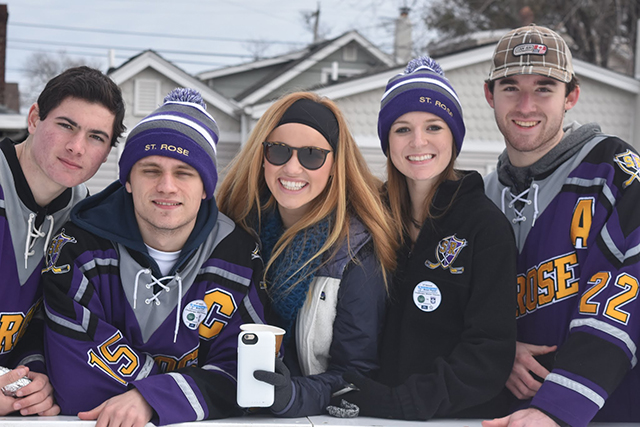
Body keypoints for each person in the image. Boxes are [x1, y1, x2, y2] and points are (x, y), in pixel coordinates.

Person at [42, 88, 267, 427]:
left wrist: (153, 397)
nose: (166, 186)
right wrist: (181, 392)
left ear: (205, 188)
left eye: (184, 172)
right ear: (128, 180)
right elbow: (74, 377)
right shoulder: (77, 246)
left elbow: (251, 374)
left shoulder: (238, 255)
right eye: (150, 170)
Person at [329, 56, 517, 420]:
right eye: (402, 129)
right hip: (367, 413)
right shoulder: (370, 218)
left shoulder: (485, 227)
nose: (418, 142)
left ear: (453, 138)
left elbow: (488, 352)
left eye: (434, 127)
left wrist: (404, 402)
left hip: (459, 418)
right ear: (387, 141)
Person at [482, 25, 640, 427]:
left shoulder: (614, 171)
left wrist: (558, 407)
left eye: (544, 88)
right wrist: (497, 350)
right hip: (507, 416)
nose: (526, 105)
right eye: (511, 88)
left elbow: (625, 293)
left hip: (609, 413)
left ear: (571, 96)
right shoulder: (481, 195)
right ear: (489, 95)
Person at [216, 91, 397, 417]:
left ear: (334, 165)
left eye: (312, 155)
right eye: (279, 151)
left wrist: (292, 395)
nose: (292, 167)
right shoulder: (237, 233)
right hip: (228, 407)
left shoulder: (355, 254)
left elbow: (356, 374)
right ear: (262, 156)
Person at [0, 66, 125, 417]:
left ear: (107, 152)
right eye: (66, 125)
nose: (76, 147)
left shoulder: (84, 220)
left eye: (96, 137)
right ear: (34, 118)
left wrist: (34, 373)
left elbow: (45, 320)